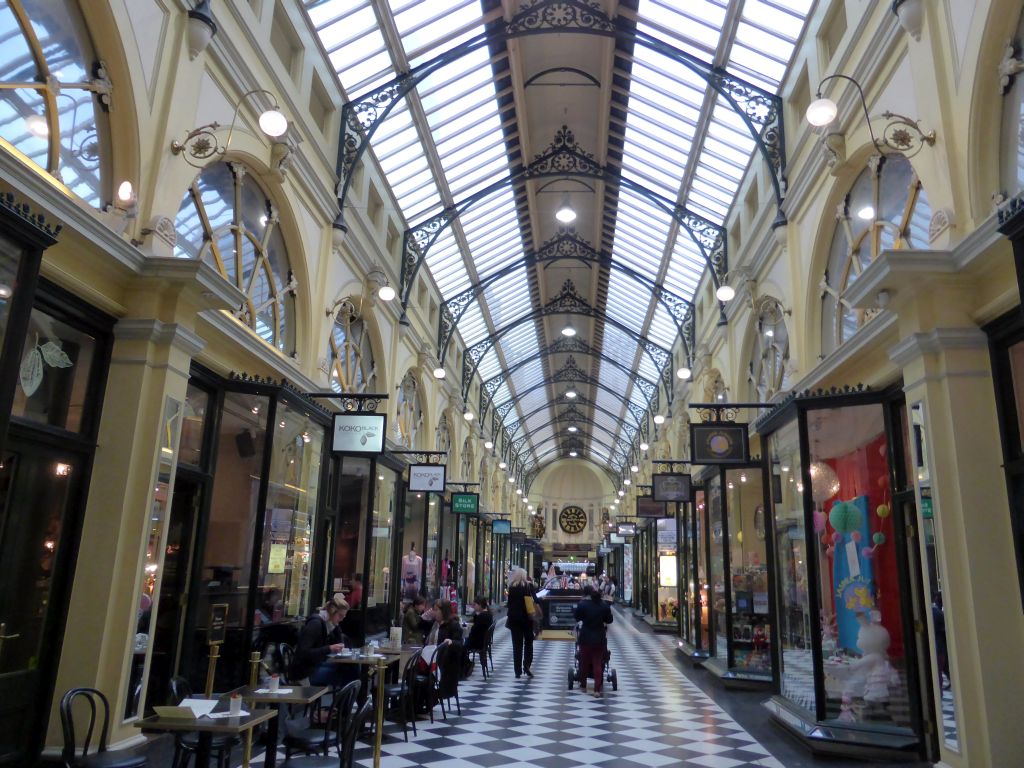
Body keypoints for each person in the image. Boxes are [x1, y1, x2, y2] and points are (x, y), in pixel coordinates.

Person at [289, 596, 352, 685]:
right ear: (331, 612)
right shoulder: (315, 624)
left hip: (315, 665)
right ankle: (353, 698)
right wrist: (329, 648)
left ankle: (352, 698)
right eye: (340, 616)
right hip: (305, 672)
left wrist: (336, 625)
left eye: (344, 616)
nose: (342, 619)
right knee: (348, 674)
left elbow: (339, 643)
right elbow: (303, 653)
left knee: (348, 668)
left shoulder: (328, 624)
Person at [574, 585, 613, 695]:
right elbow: (609, 620)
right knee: (597, 663)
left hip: (585, 637)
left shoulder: (583, 605)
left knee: (584, 662)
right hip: (599, 638)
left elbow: (577, 617)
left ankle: (583, 684)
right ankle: (597, 689)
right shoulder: (604, 606)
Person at [506, 567, 536, 679]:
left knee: (517, 645)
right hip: (527, 619)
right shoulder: (529, 586)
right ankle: (527, 665)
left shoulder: (511, 587)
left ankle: (517, 671)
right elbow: (536, 600)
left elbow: (509, 604)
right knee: (528, 642)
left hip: (514, 619)